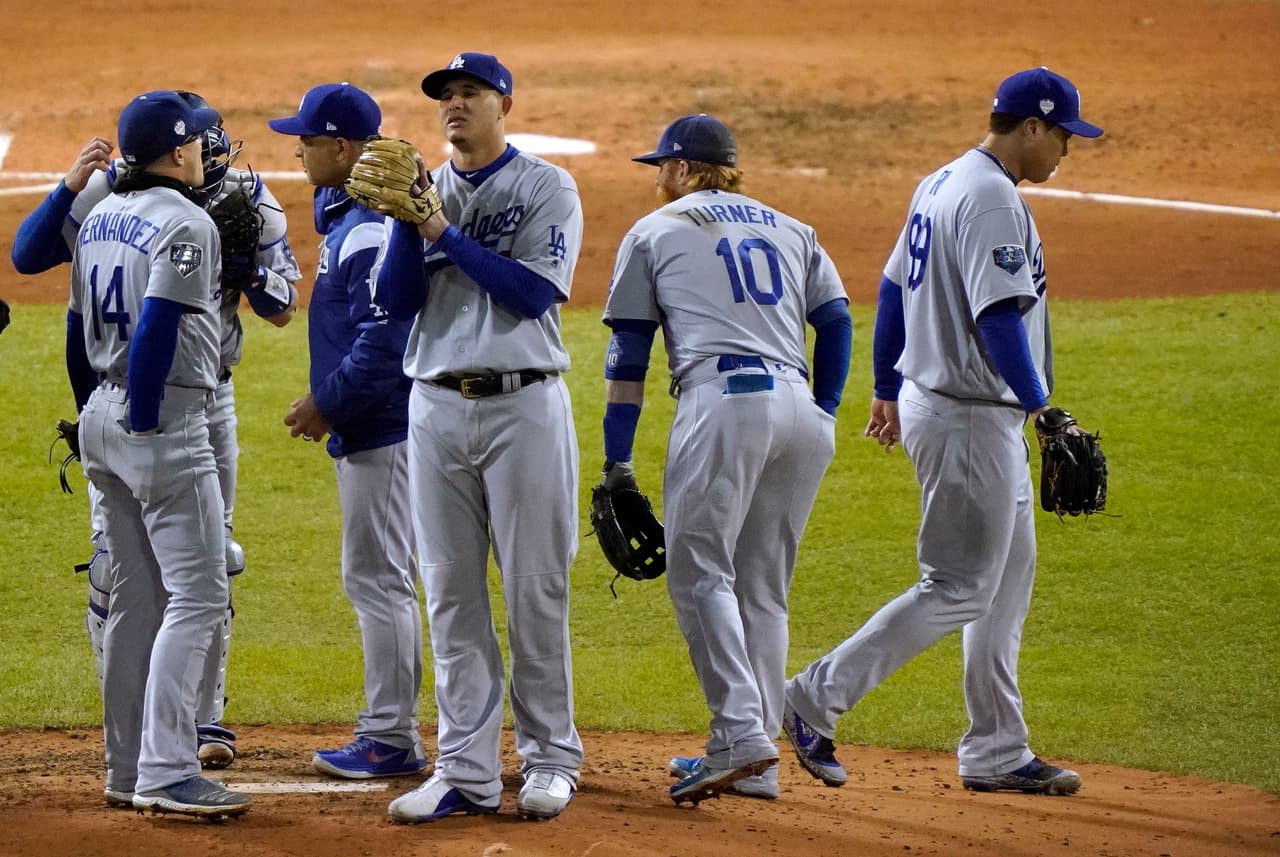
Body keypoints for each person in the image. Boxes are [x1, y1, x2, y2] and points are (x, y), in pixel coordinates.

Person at [782, 67, 1103, 796]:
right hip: (968, 417)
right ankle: (813, 696)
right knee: (959, 584)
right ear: (1030, 127)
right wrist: (1044, 407)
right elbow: (996, 320)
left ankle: (995, 747)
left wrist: (888, 384)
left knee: (1004, 584)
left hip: (950, 405)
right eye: (1062, 136)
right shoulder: (990, 198)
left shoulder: (942, 180)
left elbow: (894, 284)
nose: (1066, 152)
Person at [10, 92, 301, 770]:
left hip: (202, 401)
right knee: (136, 572)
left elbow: (283, 306)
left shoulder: (246, 199)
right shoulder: (115, 193)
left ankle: (198, 721)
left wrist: (247, 271)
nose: (212, 150)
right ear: (176, 149)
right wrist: (68, 186)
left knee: (201, 568)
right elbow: (29, 258)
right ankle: (145, 734)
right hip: (141, 410)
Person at [598, 114, 852, 804]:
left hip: (725, 401)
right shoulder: (792, 228)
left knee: (699, 574)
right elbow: (836, 321)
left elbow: (629, 356)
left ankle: (742, 734)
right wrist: (822, 409)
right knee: (761, 587)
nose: (658, 181)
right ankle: (756, 757)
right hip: (800, 410)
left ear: (682, 170)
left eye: (661, 168)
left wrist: (617, 461)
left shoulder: (656, 230)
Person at [372, 52, 584, 823]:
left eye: (470, 93)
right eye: (445, 96)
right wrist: (407, 223)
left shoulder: (546, 188)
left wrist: (439, 228)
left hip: (523, 405)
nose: (454, 105)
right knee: (451, 595)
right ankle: (464, 768)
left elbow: (531, 294)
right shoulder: (424, 186)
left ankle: (551, 757)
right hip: (433, 405)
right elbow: (397, 302)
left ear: (504, 103)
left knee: (535, 588)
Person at [65, 90, 248, 816]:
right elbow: (156, 332)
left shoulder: (100, 214)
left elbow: (79, 329)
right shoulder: (187, 221)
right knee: (199, 592)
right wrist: (149, 428)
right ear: (177, 151)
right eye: (197, 142)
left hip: (99, 415)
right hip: (159, 419)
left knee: (135, 600)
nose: (206, 151)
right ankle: (168, 768)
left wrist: (99, 417)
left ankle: (125, 765)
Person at [267, 83, 426, 781]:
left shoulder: (366, 230)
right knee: (379, 575)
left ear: (342, 147)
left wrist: (325, 403)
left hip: (381, 430)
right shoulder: (352, 220)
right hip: (375, 431)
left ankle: (390, 736)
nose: (297, 149)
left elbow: (384, 343)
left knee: (381, 578)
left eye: (306, 138)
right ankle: (389, 729)